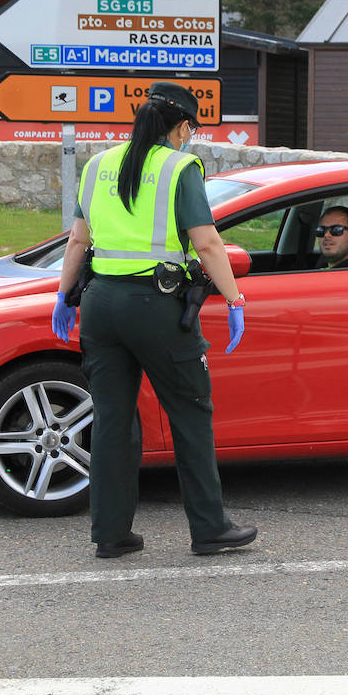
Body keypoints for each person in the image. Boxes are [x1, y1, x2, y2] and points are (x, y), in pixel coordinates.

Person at [51, 82, 258, 560]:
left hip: (99, 305)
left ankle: (110, 534)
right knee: (190, 412)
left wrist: (64, 295)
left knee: (113, 421)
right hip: (156, 306)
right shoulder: (180, 166)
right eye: (192, 130)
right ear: (183, 126)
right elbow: (206, 244)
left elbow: (78, 242)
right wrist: (234, 298)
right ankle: (210, 528)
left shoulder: (99, 165)